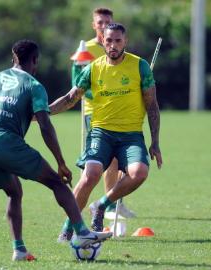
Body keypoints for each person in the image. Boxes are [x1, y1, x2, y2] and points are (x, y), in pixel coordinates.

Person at [0, 40, 112, 261]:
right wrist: (60, 162)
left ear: (13, 58)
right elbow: (45, 126)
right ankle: (83, 232)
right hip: (7, 144)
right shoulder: (34, 86)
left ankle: (19, 250)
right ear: (35, 61)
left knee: (14, 192)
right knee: (57, 182)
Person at [51, 23, 163, 240]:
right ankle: (68, 226)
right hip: (101, 132)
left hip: (131, 135)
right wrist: (44, 112)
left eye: (118, 41)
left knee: (139, 173)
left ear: (125, 42)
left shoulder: (140, 67)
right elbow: (69, 99)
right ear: (102, 40)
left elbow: (152, 105)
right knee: (90, 175)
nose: (113, 45)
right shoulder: (93, 68)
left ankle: (101, 206)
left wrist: (155, 142)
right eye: (109, 40)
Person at [72, 7, 137, 221]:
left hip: (120, 112)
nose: (102, 26)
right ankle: (103, 207)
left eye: (106, 22)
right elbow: (77, 83)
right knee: (101, 165)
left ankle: (113, 202)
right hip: (95, 112)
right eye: (99, 22)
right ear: (94, 25)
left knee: (117, 161)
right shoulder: (86, 49)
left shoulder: (116, 44)